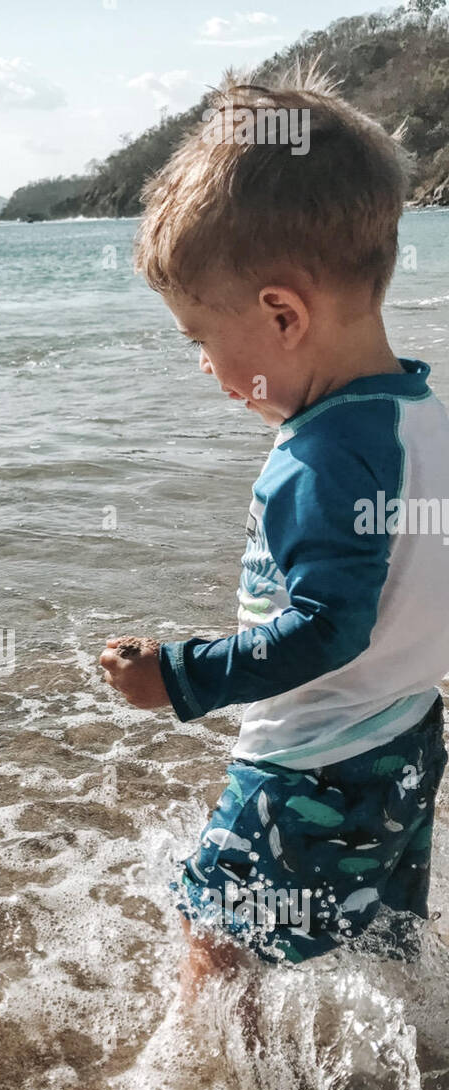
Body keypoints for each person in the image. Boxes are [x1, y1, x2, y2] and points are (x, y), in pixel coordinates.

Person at [100, 75, 449, 997]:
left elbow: (327, 627)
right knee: (381, 939)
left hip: (312, 758)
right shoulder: (423, 416)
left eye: (200, 341)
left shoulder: (323, 454)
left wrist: (177, 676)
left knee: (214, 936)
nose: (210, 370)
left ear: (283, 314)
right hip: (406, 741)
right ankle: (402, 1084)